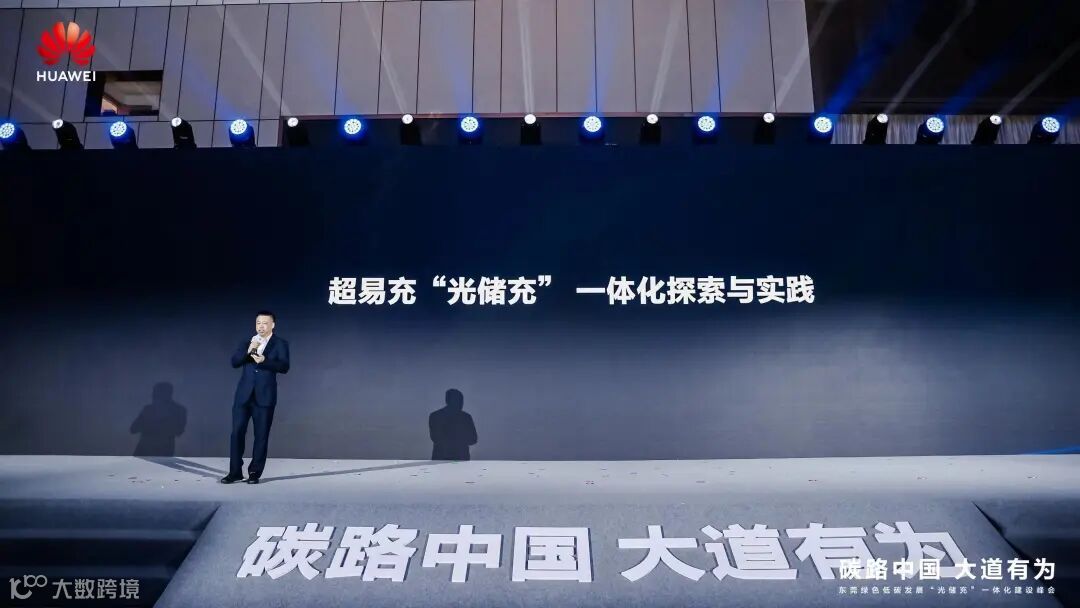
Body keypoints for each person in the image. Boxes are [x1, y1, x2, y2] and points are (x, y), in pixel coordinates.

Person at [220, 311, 290, 484]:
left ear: (273, 325)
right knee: (237, 433)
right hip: (243, 396)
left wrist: (264, 360)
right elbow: (234, 362)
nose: (261, 326)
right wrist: (249, 350)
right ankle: (235, 472)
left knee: (261, 436)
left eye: (265, 323)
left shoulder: (280, 343)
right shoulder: (247, 342)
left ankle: (254, 473)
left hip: (264, 397)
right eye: (258, 323)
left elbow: (284, 366)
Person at [429, 388, 478, 460]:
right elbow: (436, 438)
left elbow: (473, 439)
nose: (461, 403)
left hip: (448, 458)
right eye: (458, 400)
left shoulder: (435, 416)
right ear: (448, 401)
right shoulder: (466, 417)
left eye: (461, 400)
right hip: (453, 458)